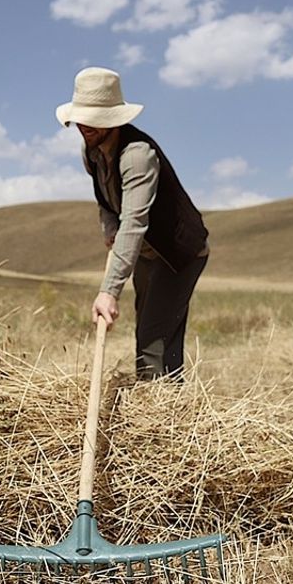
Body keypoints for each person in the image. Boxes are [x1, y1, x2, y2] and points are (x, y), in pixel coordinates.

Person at [55, 67, 209, 382]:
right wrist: (108, 227)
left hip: (178, 253)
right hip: (146, 252)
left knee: (153, 339)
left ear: (113, 118)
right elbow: (106, 200)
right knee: (155, 332)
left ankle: (158, 415)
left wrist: (109, 292)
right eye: (82, 117)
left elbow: (135, 222)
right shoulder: (92, 150)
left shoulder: (138, 155)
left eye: (94, 119)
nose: (84, 126)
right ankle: (168, 397)